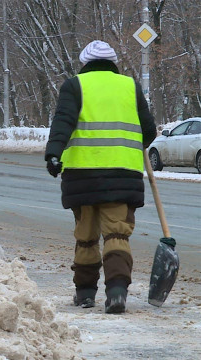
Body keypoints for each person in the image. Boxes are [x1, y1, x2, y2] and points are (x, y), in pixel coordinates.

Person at [44, 40, 157, 314]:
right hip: (122, 174)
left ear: (85, 63)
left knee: (86, 237)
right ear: (113, 63)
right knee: (117, 235)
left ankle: (84, 294)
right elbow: (149, 131)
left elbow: (64, 121)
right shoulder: (130, 87)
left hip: (82, 176)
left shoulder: (75, 85)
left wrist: (54, 153)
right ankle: (117, 292)